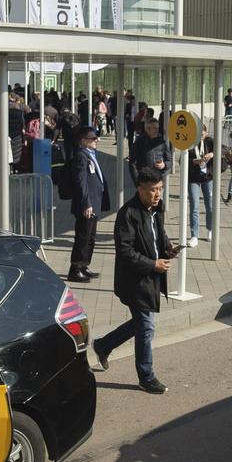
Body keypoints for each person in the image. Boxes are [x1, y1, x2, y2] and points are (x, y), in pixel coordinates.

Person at [91, 166, 173, 394]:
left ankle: (103, 345)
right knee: (146, 327)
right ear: (139, 189)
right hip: (135, 280)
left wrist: (167, 249)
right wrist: (153, 264)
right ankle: (146, 376)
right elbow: (125, 252)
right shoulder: (127, 214)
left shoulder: (157, 208)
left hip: (150, 277)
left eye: (160, 189)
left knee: (140, 324)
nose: (157, 194)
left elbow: (159, 233)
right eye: (153, 190)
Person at [67, 126, 110, 282]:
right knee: (83, 237)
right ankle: (75, 269)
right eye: (93, 138)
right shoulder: (81, 156)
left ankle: (84, 265)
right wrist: (86, 204)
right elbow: (81, 182)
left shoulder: (90, 154)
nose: (96, 140)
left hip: (94, 203)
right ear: (83, 141)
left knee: (90, 238)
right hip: (87, 204)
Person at [186, 134, 215, 247]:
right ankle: (194, 235)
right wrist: (194, 161)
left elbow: (224, 149)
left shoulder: (209, 141)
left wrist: (212, 154)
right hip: (193, 178)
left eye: (203, 133)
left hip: (207, 178)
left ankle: (210, 229)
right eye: (199, 133)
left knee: (210, 205)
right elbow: (183, 159)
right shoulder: (190, 142)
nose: (201, 136)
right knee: (194, 206)